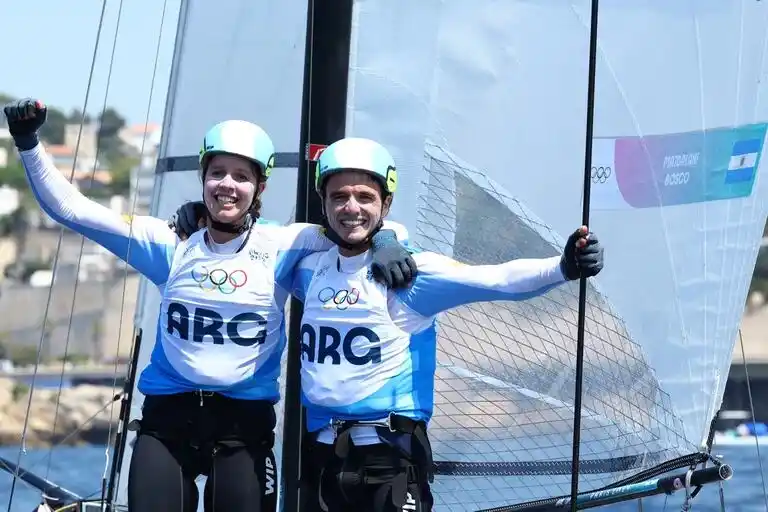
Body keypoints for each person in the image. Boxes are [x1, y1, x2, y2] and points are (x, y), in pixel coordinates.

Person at [3, 99, 417, 512]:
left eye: (241, 176)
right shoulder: (169, 243)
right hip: (167, 426)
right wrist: (27, 141)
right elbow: (70, 209)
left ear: (260, 188)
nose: (227, 185)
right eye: (217, 173)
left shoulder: (285, 244)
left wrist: (388, 239)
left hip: (243, 430)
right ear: (202, 179)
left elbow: (355, 221)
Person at [173, 136, 605, 511]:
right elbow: (251, 240)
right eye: (339, 197)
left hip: (390, 461)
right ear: (323, 203)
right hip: (322, 463)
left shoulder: (412, 275)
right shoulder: (306, 268)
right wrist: (204, 213)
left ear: (386, 203)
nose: (351, 208)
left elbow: (498, 279)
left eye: (365, 198)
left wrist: (563, 265)